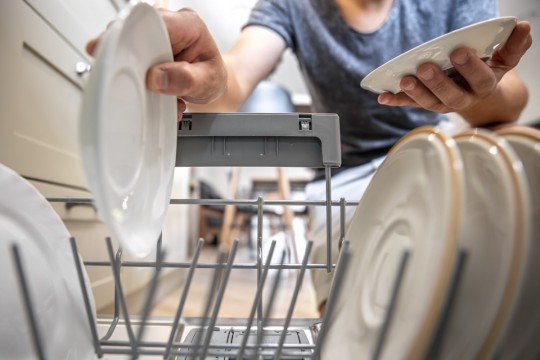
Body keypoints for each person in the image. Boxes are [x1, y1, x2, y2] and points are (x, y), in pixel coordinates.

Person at [88, 0, 532, 315]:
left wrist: (475, 94)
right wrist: (209, 75)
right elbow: (236, 78)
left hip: (439, 152)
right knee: (351, 296)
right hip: (345, 171)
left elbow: (510, 100)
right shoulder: (293, 5)